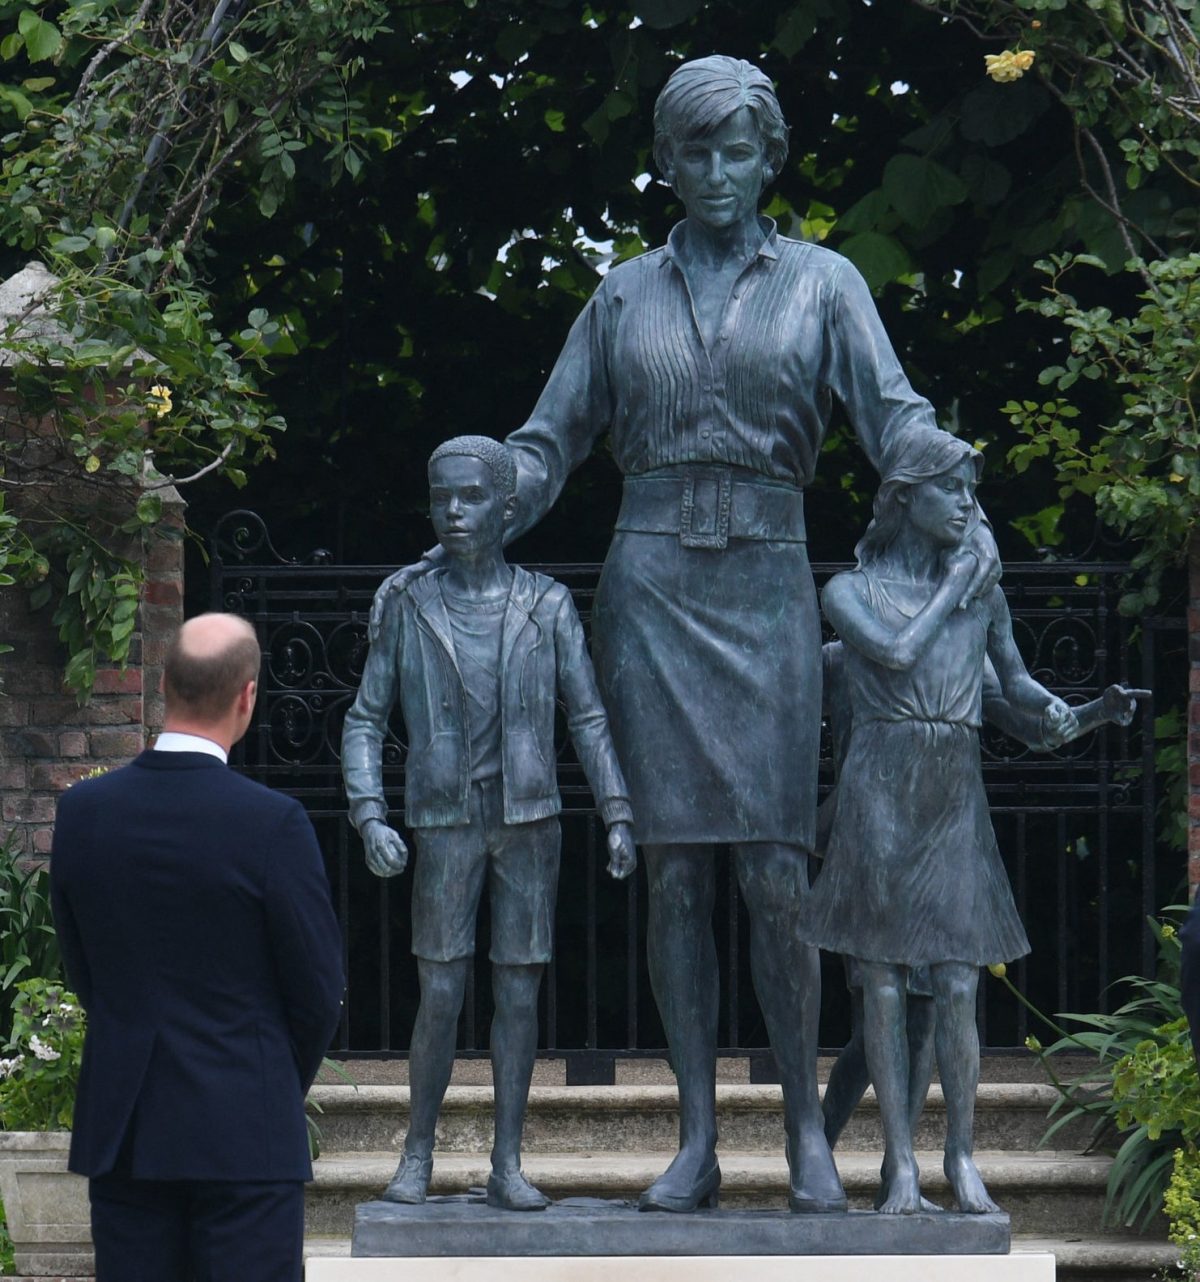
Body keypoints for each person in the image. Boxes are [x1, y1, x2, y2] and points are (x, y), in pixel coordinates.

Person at [370, 55, 999, 1214]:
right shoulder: (620, 296)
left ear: (772, 158)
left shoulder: (824, 284)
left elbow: (893, 414)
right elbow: (548, 442)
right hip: (651, 592)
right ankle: (698, 1134)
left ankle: (806, 1128)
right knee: (671, 878)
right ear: (666, 160)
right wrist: (478, 493)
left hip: (765, 587)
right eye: (695, 150)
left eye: (738, 149)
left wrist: (958, 493)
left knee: (773, 870)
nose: (716, 171)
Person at [800, 430, 1124, 1216]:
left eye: (973, 493)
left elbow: (1019, 700)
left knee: (957, 986)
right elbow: (898, 653)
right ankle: (901, 1167)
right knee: (880, 987)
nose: (971, 508)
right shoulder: (849, 592)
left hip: (952, 800)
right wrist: (956, 586)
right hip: (879, 794)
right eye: (956, 491)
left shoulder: (984, 598)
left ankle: (960, 1158)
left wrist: (1084, 715)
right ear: (906, 496)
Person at [342, 435, 636, 1211]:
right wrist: (369, 814)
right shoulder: (407, 603)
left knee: (518, 994)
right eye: (441, 497)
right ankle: (418, 1154)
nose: (453, 512)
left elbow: (590, 716)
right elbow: (365, 720)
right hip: (444, 821)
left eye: (470, 497)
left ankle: (508, 1162)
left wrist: (617, 811)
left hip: (530, 821)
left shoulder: (545, 604)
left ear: (508, 509)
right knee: (439, 992)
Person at [49, 613, 345, 1282]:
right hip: (245, 1132)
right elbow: (317, 991)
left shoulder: (83, 814)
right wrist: (264, 1076)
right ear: (247, 696)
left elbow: (84, 969)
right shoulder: (273, 824)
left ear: (162, 684)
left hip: (126, 1130)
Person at [817, 640, 1146, 1159]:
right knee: (872, 1028)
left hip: (941, 851)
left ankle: (894, 1171)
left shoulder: (963, 650)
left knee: (924, 1020)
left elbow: (1036, 728)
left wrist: (1096, 712)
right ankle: (819, 1142)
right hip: (870, 850)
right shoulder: (840, 656)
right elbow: (777, 734)